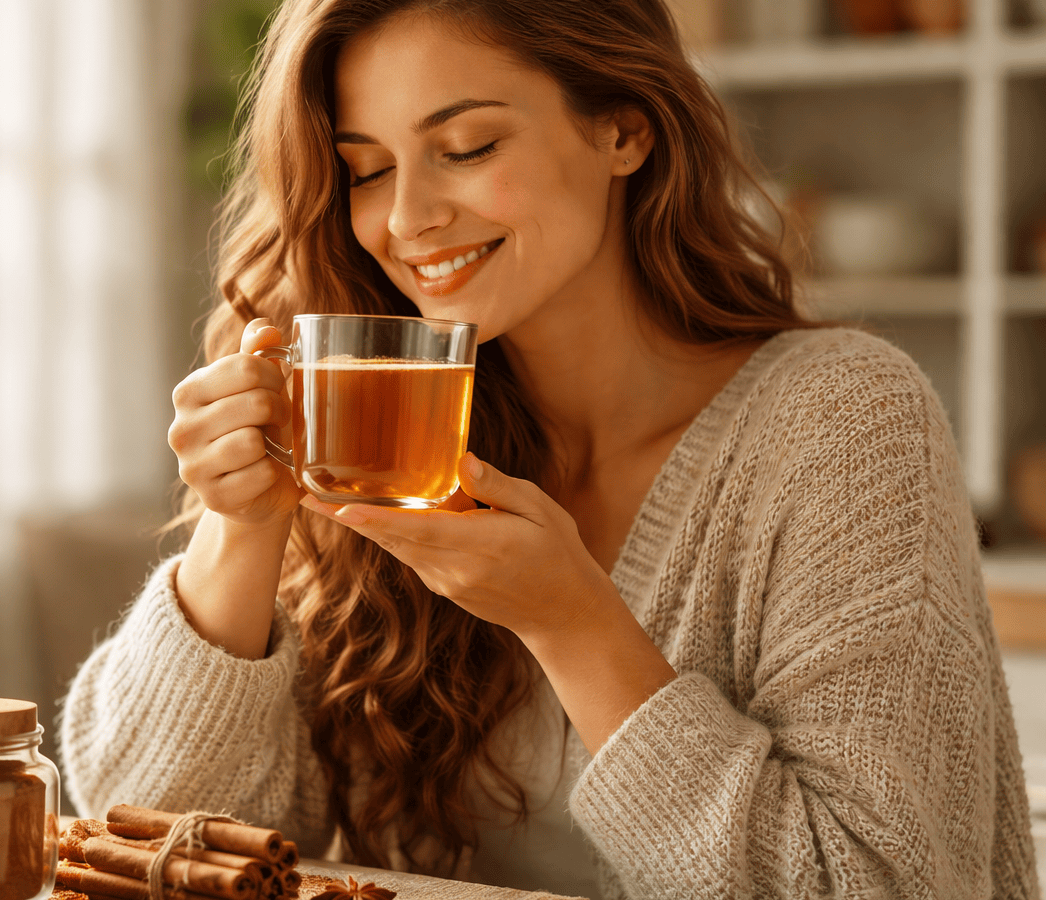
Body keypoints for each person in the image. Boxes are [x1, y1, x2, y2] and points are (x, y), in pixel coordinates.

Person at [61, 0, 1039, 896]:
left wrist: (573, 624)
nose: (405, 220)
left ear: (623, 130)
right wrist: (240, 526)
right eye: (367, 170)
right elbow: (151, 840)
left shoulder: (840, 422)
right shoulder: (375, 435)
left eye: (467, 147)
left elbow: (881, 885)